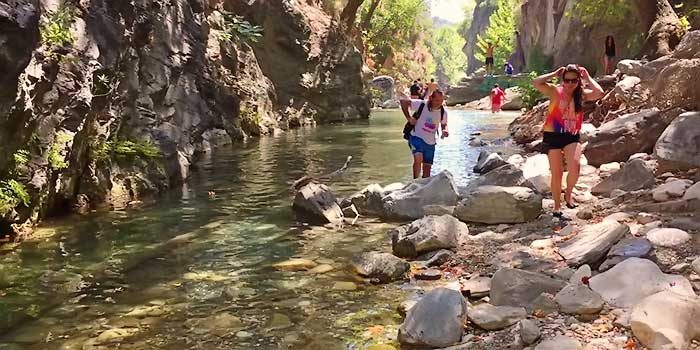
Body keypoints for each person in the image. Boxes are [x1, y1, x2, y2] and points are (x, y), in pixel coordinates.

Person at [533, 64, 604, 219]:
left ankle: (568, 194)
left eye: (574, 80)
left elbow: (599, 92)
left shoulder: (581, 95)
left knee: (575, 167)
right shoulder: (554, 91)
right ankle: (557, 207)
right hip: (553, 136)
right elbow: (536, 82)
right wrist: (553, 73)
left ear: (578, 81)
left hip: (571, 136)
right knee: (557, 173)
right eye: (567, 80)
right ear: (562, 80)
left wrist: (587, 77)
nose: (570, 84)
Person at [400, 90, 449, 179]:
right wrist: (409, 118)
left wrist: (445, 130)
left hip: (430, 143)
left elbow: (444, 124)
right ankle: (415, 182)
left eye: (441, 100)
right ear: (431, 98)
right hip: (416, 137)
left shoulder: (443, 112)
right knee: (418, 158)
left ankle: (423, 187)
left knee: (427, 170)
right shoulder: (422, 104)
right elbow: (403, 101)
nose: (439, 103)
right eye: (437, 100)